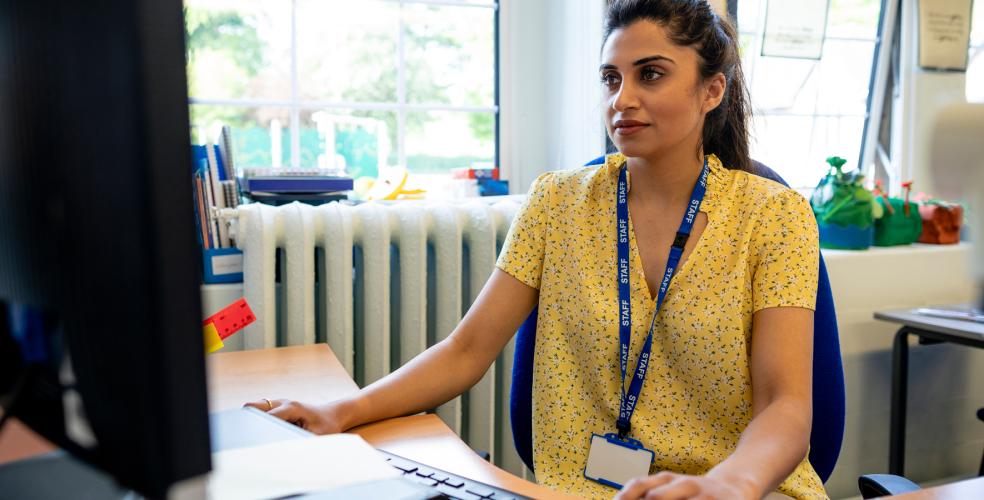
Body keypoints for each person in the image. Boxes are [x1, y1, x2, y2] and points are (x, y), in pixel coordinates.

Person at [247, 1, 825, 498]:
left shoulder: (774, 215)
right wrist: (340, 412)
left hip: (734, 491)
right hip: (584, 489)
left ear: (711, 91)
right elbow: (467, 349)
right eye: (610, 78)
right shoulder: (557, 202)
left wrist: (732, 484)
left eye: (650, 75)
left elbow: (786, 406)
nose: (622, 98)